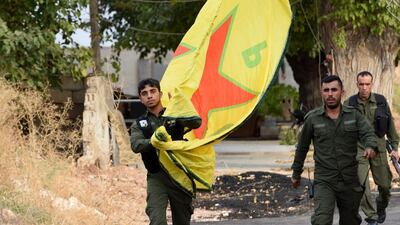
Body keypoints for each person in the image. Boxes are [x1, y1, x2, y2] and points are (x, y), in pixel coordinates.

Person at [291, 75, 378, 225]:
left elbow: (368, 133)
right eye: (326, 90)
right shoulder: (313, 119)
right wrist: (296, 173)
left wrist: (370, 147)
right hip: (325, 180)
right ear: (322, 93)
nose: (330, 94)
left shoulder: (354, 115)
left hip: (349, 179)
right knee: (321, 220)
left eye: (334, 90)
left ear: (342, 92)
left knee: (350, 221)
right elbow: (302, 148)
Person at [130, 78, 193, 225]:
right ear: (140, 99)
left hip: (179, 175)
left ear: (160, 93)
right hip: (157, 177)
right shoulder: (140, 124)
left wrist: (179, 108)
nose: (149, 96)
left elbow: (195, 123)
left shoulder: (173, 115)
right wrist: (155, 141)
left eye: (153, 91)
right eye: (144, 93)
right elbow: (136, 145)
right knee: (157, 220)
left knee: (182, 221)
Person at [344, 71, 399, 225]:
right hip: (359, 149)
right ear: (357, 84)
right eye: (361, 84)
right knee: (360, 185)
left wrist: (394, 147)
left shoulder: (381, 101)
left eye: (367, 84)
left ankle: (381, 207)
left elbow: (391, 128)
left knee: (385, 186)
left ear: (371, 84)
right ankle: (371, 217)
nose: (364, 88)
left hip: (379, 148)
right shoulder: (349, 104)